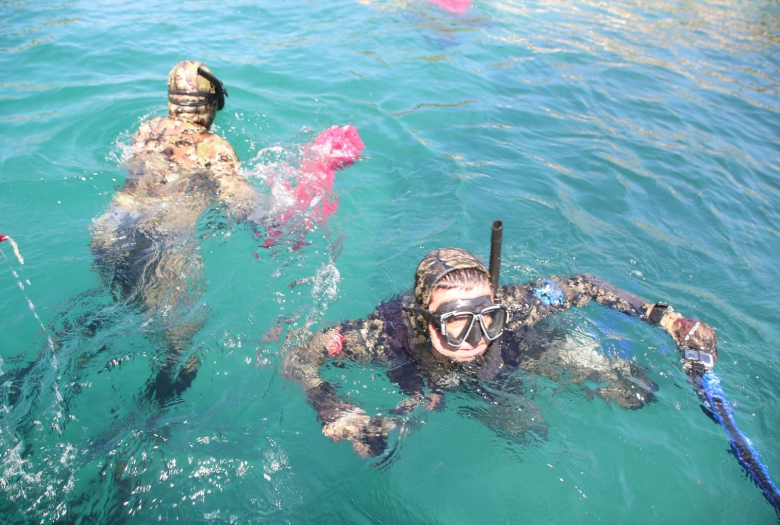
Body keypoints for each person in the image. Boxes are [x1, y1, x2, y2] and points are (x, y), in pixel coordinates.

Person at [89, 60, 363, 403]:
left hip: (110, 231)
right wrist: (290, 207)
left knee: (113, 308)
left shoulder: (146, 129)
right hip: (161, 247)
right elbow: (244, 206)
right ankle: (152, 420)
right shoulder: (213, 148)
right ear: (210, 103)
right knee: (182, 349)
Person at [281, 247, 717, 458]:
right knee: (527, 430)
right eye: (455, 322)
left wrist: (669, 321)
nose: (474, 338)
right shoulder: (384, 336)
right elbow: (299, 355)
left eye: (484, 318)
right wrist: (332, 407)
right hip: (430, 376)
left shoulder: (515, 308)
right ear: (425, 317)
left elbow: (584, 283)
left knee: (637, 391)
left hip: (520, 351)